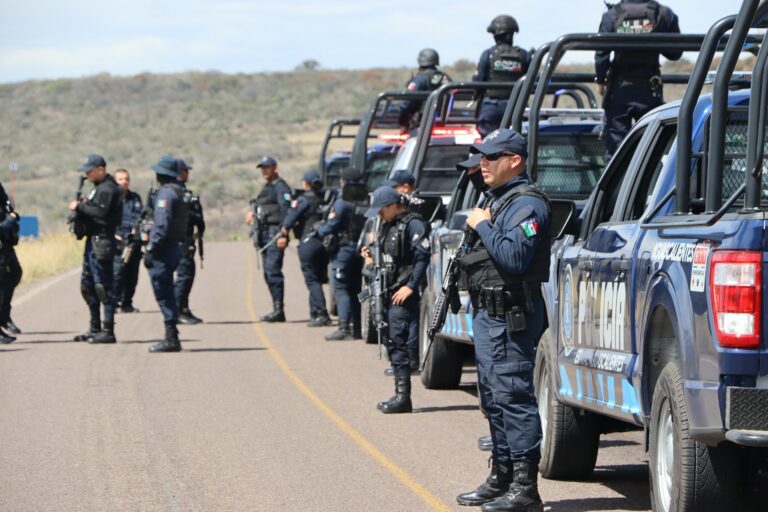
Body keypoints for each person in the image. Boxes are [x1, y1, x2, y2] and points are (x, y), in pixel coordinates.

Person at [455, 129, 550, 512]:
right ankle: (502, 476)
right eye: (482, 156)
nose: (483, 163)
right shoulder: (498, 200)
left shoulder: (528, 205)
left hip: (511, 316)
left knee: (513, 396)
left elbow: (514, 258)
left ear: (515, 161)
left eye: (491, 157)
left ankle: (526, 489)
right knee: (494, 397)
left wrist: (481, 225)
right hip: (489, 314)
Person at [363, 186, 430, 413]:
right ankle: (400, 394)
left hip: (403, 292)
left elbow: (422, 258)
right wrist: (371, 255)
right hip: (388, 290)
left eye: (381, 210)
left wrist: (411, 287)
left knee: (397, 340)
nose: (379, 216)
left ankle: (403, 397)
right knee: (391, 340)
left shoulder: (414, 224)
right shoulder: (388, 225)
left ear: (393, 205)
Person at [595, 0, 681, 156]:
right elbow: (675, 53)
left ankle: (618, 180)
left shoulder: (611, 15)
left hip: (619, 90)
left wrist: (600, 80)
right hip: (650, 89)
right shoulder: (663, 13)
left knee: (616, 151)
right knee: (650, 149)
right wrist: (653, 35)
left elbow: (601, 54)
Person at [69, 154, 123, 344]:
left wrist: (79, 208)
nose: (87, 174)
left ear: (101, 169)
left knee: (103, 286)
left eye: (90, 170)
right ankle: (95, 328)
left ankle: (108, 330)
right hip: (93, 241)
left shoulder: (107, 189)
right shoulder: (98, 189)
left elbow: (100, 214)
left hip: (102, 241)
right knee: (88, 285)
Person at [144, 157, 190, 353]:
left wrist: (151, 248)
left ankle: (171, 337)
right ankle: (172, 335)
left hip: (163, 249)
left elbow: (161, 224)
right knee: (167, 291)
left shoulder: (166, 194)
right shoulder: (179, 191)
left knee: (163, 293)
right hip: (173, 246)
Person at [315, 168, 366, 341]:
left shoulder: (343, 201)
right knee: (354, 289)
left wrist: (319, 229)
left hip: (344, 249)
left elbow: (331, 225)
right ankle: (357, 328)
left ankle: (344, 327)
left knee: (341, 287)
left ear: (344, 181)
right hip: (360, 249)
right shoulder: (366, 199)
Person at [280, 170, 331, 327]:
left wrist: (283, 234)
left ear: (306, 184)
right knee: (318, 278)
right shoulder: (327, 198)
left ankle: (322, 314)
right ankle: (314, 312)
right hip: (325, 243)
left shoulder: (303, 200)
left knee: (312, 279)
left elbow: (290, 219)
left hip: (309, 242)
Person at [246, 156, 292, 322]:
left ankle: (279, 310)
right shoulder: (268, 187)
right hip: (265, 233)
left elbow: (287, 211)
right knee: (268, 271)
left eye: (267, 167)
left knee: (273, 271)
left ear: (275, 168)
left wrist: (284, 234)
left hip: (275, 233)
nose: (264, 171)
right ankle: (276, 308)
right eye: (262, 168)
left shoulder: (281, 187)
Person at [474, 15, 531, 138]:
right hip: (518, 107)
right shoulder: (524, 55)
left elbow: (479, 82)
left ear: (495, 35)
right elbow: (531, 82)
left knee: (488, 143)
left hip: (491, 108)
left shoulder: (487, 54)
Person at [174, 159, 206, 325]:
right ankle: (178, 310)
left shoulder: (181, 192)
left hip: (182, 240)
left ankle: (183, 308)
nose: (187, 174)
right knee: (184, 275)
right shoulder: (178, 193)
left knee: (187, 274)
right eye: (185, 171)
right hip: (179, 241)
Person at [399, 48, 451, 132]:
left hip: (421, 125)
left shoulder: (420, 79)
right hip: (442, 124)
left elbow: (405, 104)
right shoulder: (446, 78)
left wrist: (403, 121)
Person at [113, 168, 143, 314]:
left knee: (132, 275)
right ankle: (114, 303)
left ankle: (127, 303)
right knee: (118, 274)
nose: (124, 182)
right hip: (118, 242)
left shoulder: (135, 198)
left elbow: (141, 217)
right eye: (120, 179)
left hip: (134, 241)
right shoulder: (111, 198)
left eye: (126, 179)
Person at [0, 181, 21, 343]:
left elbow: (6, 207)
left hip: (4, 242)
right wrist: (7, 222)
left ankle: (4, 316)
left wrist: (11, 216)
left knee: (13, 273)